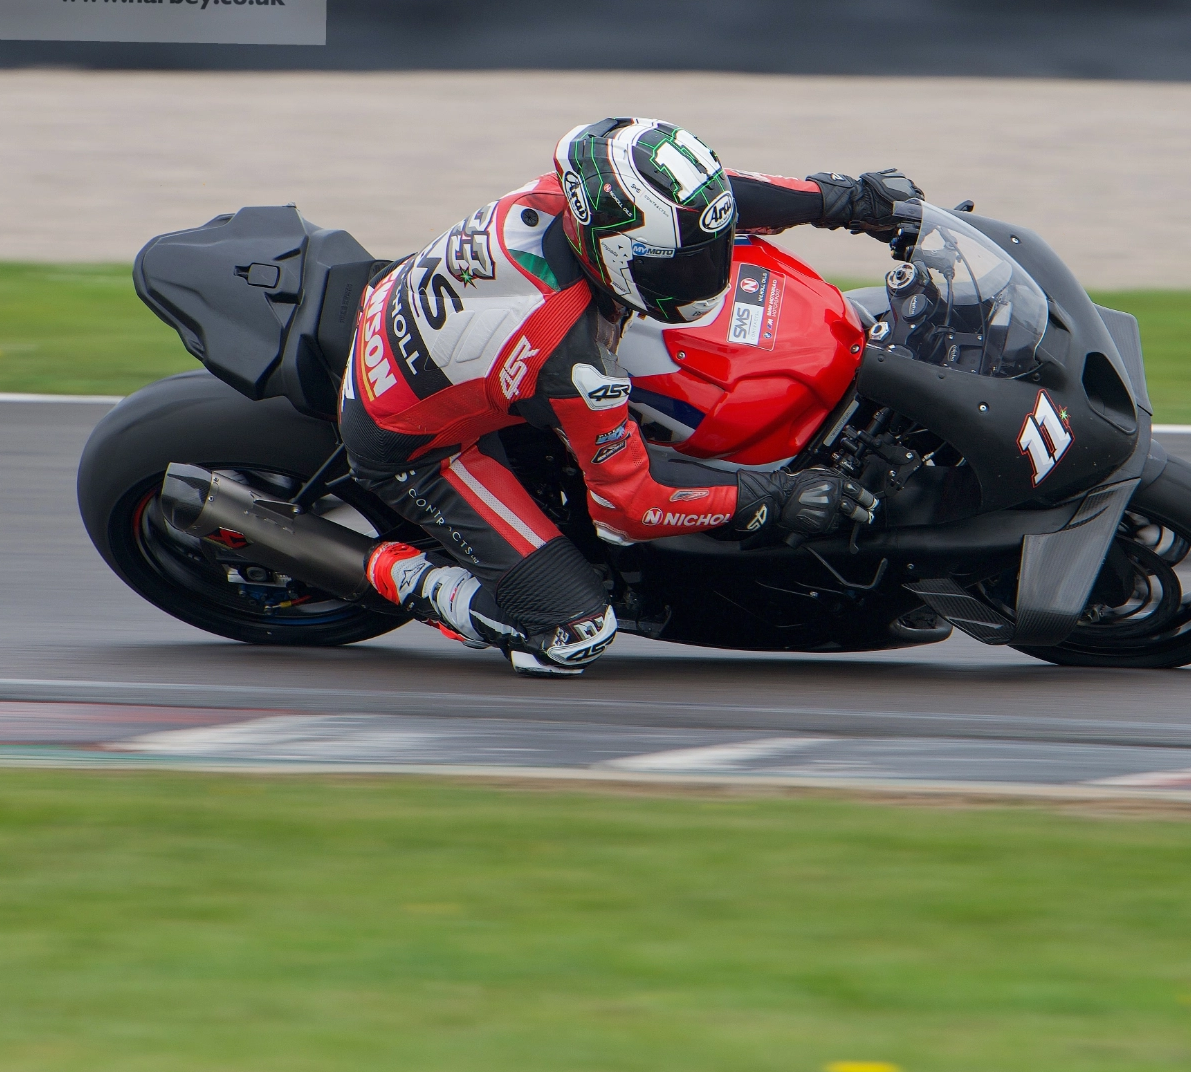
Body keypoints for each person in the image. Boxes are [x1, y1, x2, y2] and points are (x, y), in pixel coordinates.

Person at [341, 117, 920, 677]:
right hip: (415, 443)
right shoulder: (569, 353)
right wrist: (775, 495)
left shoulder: (592, 203)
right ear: (613, 254)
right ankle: (396, 572)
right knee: (572, 634)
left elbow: (722, 199)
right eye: (683, 266)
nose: (706, 274)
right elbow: (629, 507)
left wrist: (845, 199)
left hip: (443, 332)